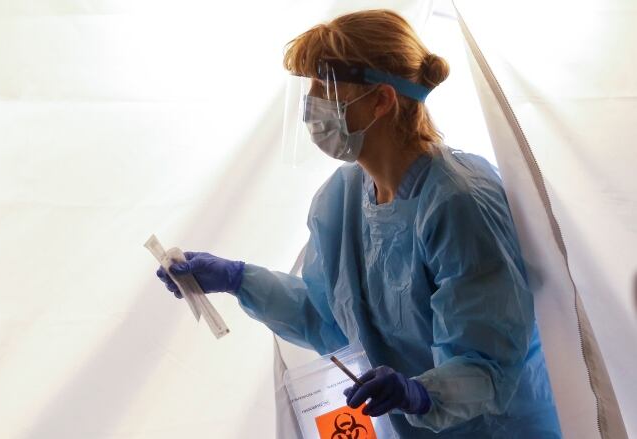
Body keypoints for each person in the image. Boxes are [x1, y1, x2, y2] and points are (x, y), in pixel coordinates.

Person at [156, 9, 561, 438]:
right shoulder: (341, 199)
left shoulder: (459, 202)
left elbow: (488, 365)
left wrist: (421, 394)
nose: (312, 104)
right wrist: (238, 279)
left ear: (381, 100)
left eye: (324, 87)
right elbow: (326, 318)